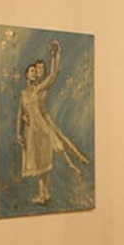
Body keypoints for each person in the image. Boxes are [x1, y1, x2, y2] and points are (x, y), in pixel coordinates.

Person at [18, 40, 90, 205]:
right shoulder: (25, 93)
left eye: (37, 70)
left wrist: (55, 56)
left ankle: (74, 164)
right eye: (33, 71)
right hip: (32, 132)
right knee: (40, 164)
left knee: (53, 150)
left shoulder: (40, 88)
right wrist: (19, 131)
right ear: (27, 75)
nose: (35, 73)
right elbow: (20, 113)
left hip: (42, 126)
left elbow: (52, 75)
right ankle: (44, 194)